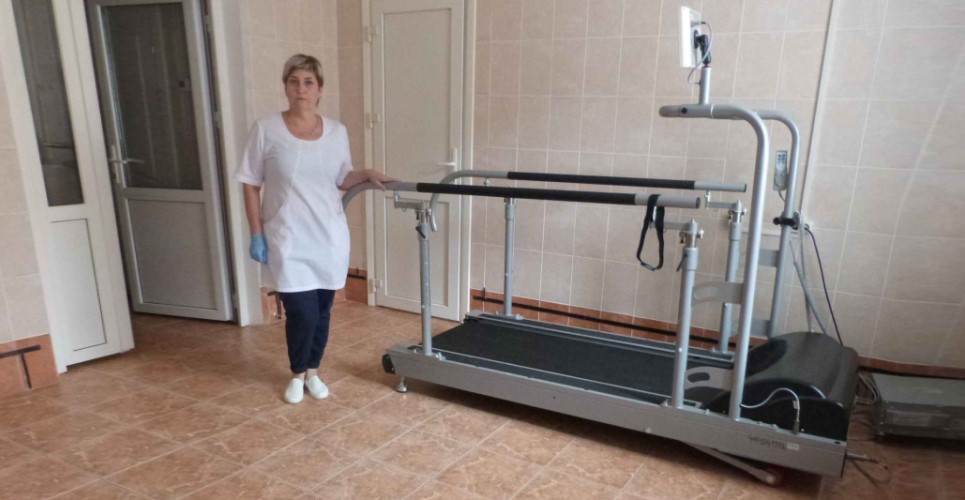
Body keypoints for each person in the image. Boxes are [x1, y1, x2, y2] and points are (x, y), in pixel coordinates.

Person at [235, 54, 392, 404]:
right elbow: (249, 182)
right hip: (287, 238)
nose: (301, 89)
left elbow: (342, 178)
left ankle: (313, 372)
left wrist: (366, 174)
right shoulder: (266, 129)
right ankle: (296, 374)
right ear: (285, 87)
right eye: (293, 82)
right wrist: (256, 232)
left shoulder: (337, 132)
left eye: (308, 82)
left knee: (321, 312)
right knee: (301, 312)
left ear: (320, 89)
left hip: (328, 237)